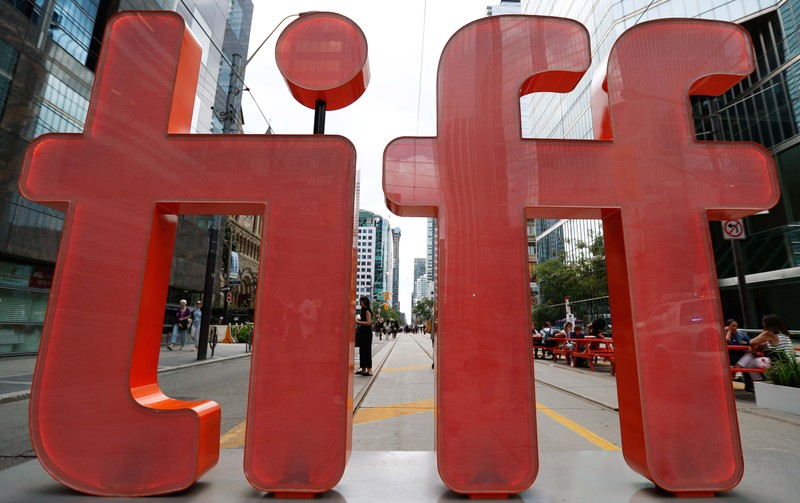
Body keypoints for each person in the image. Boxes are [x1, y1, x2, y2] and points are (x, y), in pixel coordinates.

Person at [733, 314, 794, 391]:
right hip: (789, 362)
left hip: (778, 362)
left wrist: (751, 349)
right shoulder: (784, 333)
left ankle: (758, 384)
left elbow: (752, 342)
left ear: (767, 323)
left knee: (749, 364)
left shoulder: (768, 333)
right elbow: (773, 344)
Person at [355, 296, 374, 376]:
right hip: (363, 332)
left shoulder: (367, 311)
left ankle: (369, 370)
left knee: (367, 351)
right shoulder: (363, 310)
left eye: (361, 302)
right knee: (362, 351)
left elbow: (369, 322)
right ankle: (363, 369)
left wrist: (357, 322)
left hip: (367, 333)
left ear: (365, 302)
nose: (360, 303)